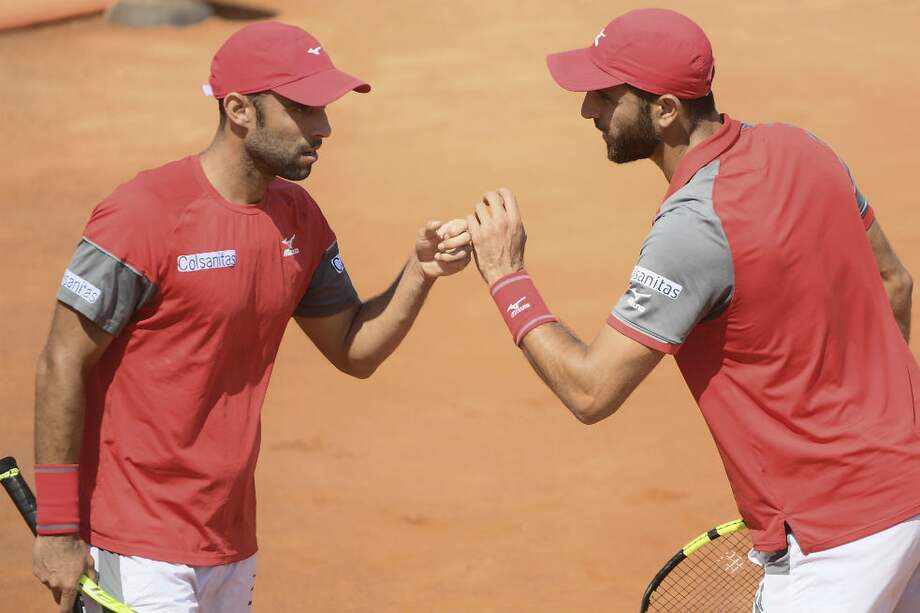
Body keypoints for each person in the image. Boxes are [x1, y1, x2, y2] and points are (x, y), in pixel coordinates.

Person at [465, 8, 919, 612]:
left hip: (838, 536)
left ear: (665, 111)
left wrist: (506, 276)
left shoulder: (693, 229)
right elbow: (895, 282)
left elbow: (591, 391)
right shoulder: (805, 148)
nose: (587, 111)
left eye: (604, 96)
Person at [31, 21, 471, 613]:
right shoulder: (142, 215)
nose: (323, 126)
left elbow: (353, 348)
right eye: (304, 108)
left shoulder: (298, 218)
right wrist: (57, 528)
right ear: (239, 110)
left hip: (230, 541)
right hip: (138, 544)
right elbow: (63, 359)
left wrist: (419, 273)